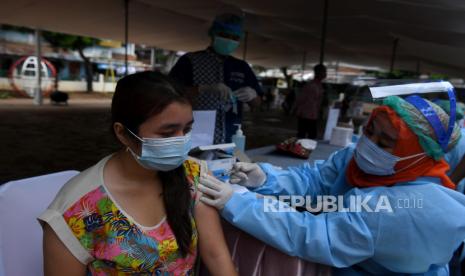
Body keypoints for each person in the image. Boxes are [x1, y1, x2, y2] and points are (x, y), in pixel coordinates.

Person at [198, 95, 465, 274]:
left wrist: (239, 204)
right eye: (370, 131)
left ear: (418, 155)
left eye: (385, 142)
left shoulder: (412, 207)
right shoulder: (357, 159)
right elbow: (314, 181)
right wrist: (265, 179)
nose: (369, 145)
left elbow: (316, 234)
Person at [38, 72, 237, 275]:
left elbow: (216, 255)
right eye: (167, 133)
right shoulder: (76, 211)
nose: (181, 141)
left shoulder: (194, 175)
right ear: (123, 133)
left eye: (186, 130)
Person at [169, 13, 262, 144]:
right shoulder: (190, 60)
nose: (229, 40)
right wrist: (202, 89)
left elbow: (257, 104)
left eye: (234, 38)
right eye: (225, 35)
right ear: (213, 34)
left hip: (231, 136)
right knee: (195, 164)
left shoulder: (242, 66)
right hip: (196, 134)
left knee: (231, 163)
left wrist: (252, 96)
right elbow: (170, 94)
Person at [294, 64, 327, 139]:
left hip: (313, 115)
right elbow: (300, 99)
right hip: (306, 115)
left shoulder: (319, 85)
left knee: (310, 135)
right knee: (303, 136)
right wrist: (297, 111)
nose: (325, 74)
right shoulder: (311, 85)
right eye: (324, 72)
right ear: (318, 72)